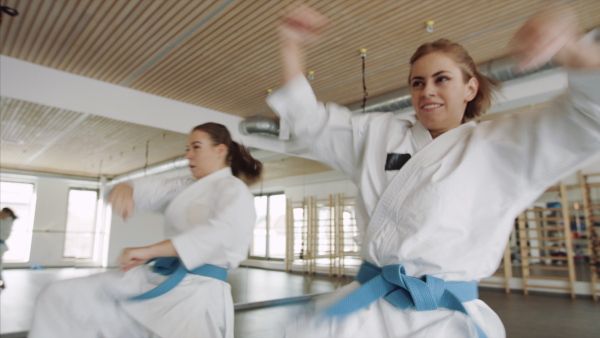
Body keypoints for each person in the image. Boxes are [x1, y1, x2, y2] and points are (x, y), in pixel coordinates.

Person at [267, 5, 600, 338]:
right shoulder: (377, 135)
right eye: (417, 82)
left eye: (441, 79)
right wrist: (290, 44)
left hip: (444, 318)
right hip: (367, 309)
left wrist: (575, 51)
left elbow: (587, 117)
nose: (426, 90)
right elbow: (306, 119)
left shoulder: (502, 146)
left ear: (470, 89)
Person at [29, 122, 262, 338]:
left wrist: (151, 251)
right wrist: (125, 187)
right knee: (58, 296)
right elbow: (145, 189)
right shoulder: (185, 186)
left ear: (220, 150)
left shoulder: (234, 189)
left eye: (196, 147)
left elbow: (219, 233)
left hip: (199, 293)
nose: (188, 154)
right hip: (159, 278)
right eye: (187, 148)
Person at [0, 207, 18, 289]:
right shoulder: (6, 220)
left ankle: (2, 282)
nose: (1, 214)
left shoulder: (6, 221)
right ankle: (2, 282)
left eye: (2, 212)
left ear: (7, 214)